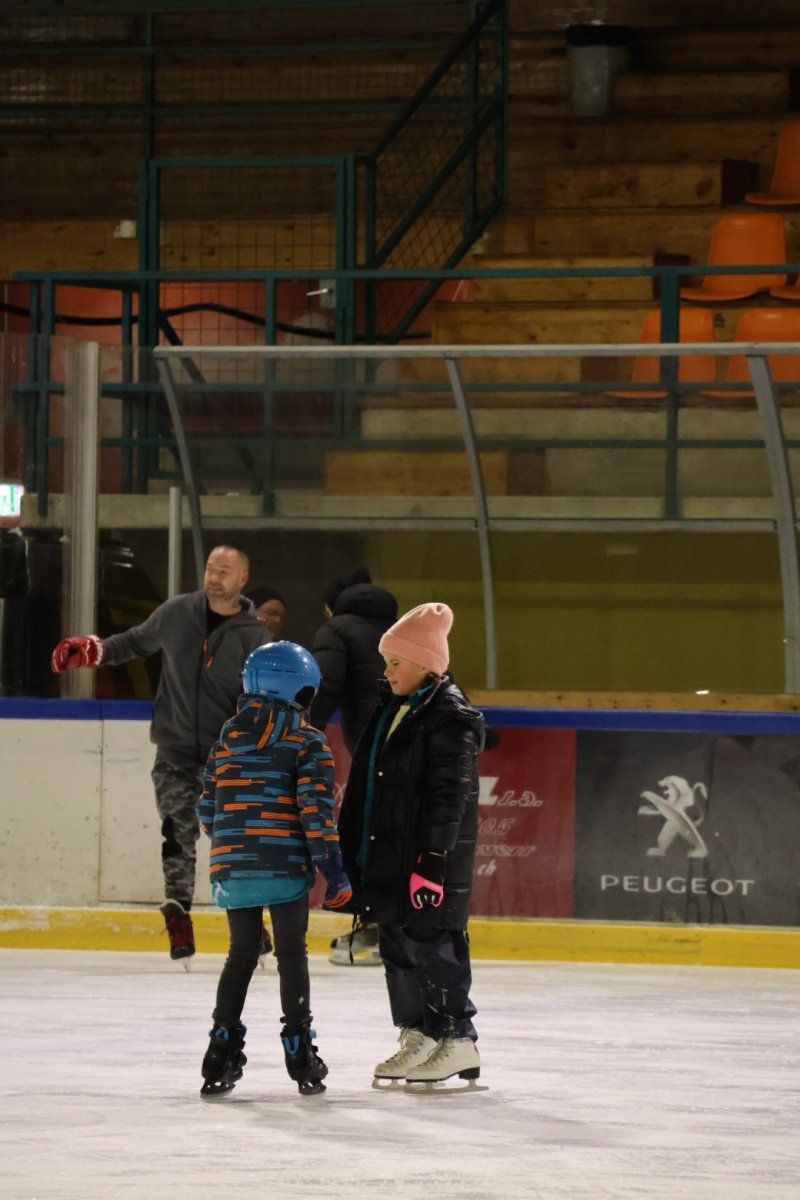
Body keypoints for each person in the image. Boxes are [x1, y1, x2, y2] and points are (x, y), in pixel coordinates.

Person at [50, 543, 270, 964]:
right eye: (210, 569)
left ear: (243, 578)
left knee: (230, 840)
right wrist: (93, 650)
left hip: (226, 758)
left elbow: (263, 698)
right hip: (174, 749)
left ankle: (247, 919)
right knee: (176, 832)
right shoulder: (176, 613)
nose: (214, 578)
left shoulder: (254, 636)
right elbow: (133, 642)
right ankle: (178, 913)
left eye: (224, 571)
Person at [337, 601, 485, 1090]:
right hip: (388, 854)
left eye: (395, 661)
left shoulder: (450, 717)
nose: (386, 671)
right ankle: (420, 1033)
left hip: (425, 858)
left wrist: (433, 861)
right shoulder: (393, 707)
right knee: (397, 946)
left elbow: (449, 798)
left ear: (425, 663)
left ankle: (457, 1037)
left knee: (432, 944)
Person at [197, 640, 352, 1097]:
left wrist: (236, 847)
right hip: (285, 867)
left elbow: (207, 810)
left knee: (241, 953)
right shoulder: (308, 741)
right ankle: (300, 1051)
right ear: (299, 690)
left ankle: (220, 1049)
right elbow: (316, 814)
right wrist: (334, 871)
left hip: (232, 866)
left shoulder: (226, 741)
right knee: (291, 953)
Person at [308, 566, 397, 966]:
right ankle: (397, 925)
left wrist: (298, 734)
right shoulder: (403, 628)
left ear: (333, 607)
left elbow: (324, 687)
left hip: (371, 750)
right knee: (402, 835)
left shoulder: (336, 630)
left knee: (367, 835)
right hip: (414, 747)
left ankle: (376, 928)